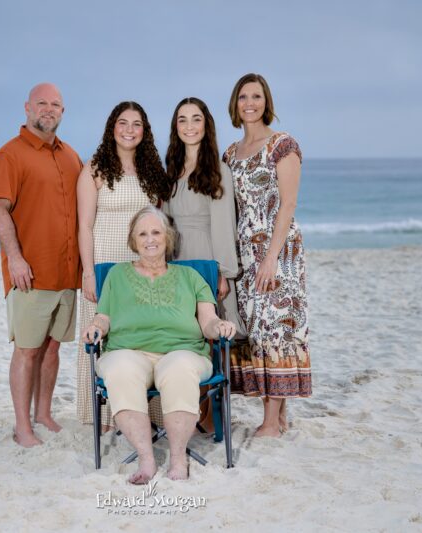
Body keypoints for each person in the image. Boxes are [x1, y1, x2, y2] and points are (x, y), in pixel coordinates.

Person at [83, 206, 236, 483]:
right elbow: (103, 317)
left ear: (168, 237)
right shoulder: (117, 275)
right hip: (127, 351)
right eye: (142, 233)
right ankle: (146, 459)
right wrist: (95, 327)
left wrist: (220, 327)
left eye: (156, 232)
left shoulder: (191, 278)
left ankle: (178, 459)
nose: (150, 239)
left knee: (178, 368)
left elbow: (208, 322)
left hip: (183, 352)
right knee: (120, 369)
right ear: (133, 240)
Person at [0, 83, 83, 447]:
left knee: (53, 347)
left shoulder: (72, 157)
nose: (48, 109)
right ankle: (22, 425)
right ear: (27, 107)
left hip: (66, 273)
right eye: (41, 103)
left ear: (63, 111)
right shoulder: (8, 156)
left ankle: (43, 414)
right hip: (30, 274)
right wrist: (15, 258)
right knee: (27, 349)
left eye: (55, 104)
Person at [222, 73, 312, 437]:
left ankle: (272, 422)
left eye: (256, 96)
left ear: (266, 101)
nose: (250, 103)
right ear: (235, 103)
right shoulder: (230, 153)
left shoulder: (282, 145)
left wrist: (272, 256)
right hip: (245, 253)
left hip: (278, 251)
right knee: (258, 331)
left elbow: (288, 203)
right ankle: (278, 416)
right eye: (243, 97)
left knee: (276, 328)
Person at [76, 101, 168, 430]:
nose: (129, 130)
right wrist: (88, 273)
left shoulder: (152, 170)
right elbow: (84, 225)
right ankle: (102, 418)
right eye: (123, 122)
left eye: (137, 124)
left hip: (143, 264)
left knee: (142, 337)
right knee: (100, 336)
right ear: (111, 127)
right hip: (103, 262)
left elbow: (158, 222)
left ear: (145, 131)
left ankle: (147, 414)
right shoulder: (94, 169)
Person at [162, 97, 243, 432]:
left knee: (211, 339)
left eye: (196, 119)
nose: (189, 126)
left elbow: (224, 223)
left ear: (206, 125)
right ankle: (183, 412)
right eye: (182, 120)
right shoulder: (171, 167)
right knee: (183, 337)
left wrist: (223, 272)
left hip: (206, 255)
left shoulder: (217, 169)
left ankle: (212, 418)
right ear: (175, 127)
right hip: (175, 259)